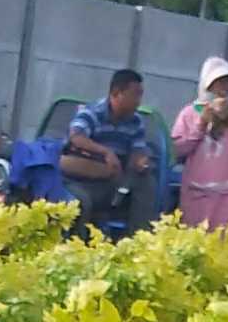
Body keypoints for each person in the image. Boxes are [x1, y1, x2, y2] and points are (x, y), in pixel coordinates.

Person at [59, 64, 158, 232]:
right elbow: (76, 137)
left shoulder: (136, 122)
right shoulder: (92, 113)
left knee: (146, 182)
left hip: (114, 179)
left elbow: (137, 150)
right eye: (135, 95)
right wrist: (105, 152)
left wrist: (140, 161)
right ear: (116, 93)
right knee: (80, 202)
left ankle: (138, 239)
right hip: (82, 178)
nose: (138, 102)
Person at [171, 56, 228, 229]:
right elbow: (179, 149)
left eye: (227, 82)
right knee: (195, 240)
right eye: (219, 82)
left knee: (226, 243)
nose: (223, 88)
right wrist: (201, 124)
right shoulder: (188, 113)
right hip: (196, 194)